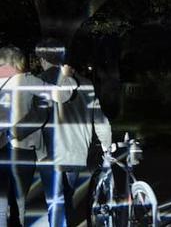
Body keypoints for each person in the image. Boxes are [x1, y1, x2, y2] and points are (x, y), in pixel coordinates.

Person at [0, 46, 76, 226]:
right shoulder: (25, 80)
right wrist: (67, 77)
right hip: (20, 150)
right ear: (17, 62)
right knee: (19, 206)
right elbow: (62, 95)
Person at [28, 39, 112, 226]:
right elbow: (100, 119)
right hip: (77, 152)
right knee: (66, 199)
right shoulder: (86, 84)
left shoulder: (41, 82)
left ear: (42, 58)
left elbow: (36, 118)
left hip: (51, 154)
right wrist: (107, 146)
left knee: (55, 203)